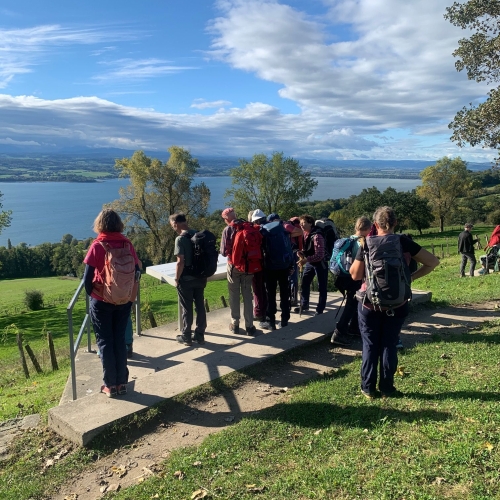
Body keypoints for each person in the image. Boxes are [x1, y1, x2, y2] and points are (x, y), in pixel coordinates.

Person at [349, 206, 439, 399]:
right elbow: (432, 262)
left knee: (370, 345)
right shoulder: (403, 241)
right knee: (389, 344)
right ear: (396, 223)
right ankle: (387, 388)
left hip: (369, 303)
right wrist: (409, 279)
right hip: (398, 303)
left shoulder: (366, 243)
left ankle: (368, 388)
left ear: (375, 224)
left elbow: (355, 274)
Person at [83, 209, 140, 398]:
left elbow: (87, 278)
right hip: (123, 301)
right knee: (119, 340)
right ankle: (122, 383)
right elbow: (137, 270)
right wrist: (127, 294)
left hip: (102, 301)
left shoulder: (98, 245)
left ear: (100, 224)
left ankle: (110, 385)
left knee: (105, 342)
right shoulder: (127, 244)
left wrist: (95, 296)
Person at [331, 216, 372, 346]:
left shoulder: (347, 240)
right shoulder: (362, 243)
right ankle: (339, 333)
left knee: (354, 304)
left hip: (343, 277)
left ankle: (354, 328)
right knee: (351, 305)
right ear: (368, 228)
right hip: (356, 278)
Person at [170, 213, 207, 346]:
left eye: (172, 225)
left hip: (186, 278)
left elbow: (180, 261)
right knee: (200, 305)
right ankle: (200, 334)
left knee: (187, 308)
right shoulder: (198, 234)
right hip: (201, 277)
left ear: (175, 224)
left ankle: (186, 336)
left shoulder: (180, 239)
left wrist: (176, 278)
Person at [220, 207, 256, 335]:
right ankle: (250, 326)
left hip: (234, 266)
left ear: (226, 219)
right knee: (247, 295)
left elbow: (224, 252)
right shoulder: (248, 227)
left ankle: (235, 324)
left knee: (234, 295)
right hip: (249, 266)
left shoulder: (228, 229)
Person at [260, 213, 294, 329]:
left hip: (270, 267)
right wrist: (290, 265)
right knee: (284, 293)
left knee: (270, 293)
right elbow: (288, 248)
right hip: (284, 266)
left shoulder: (264, 231)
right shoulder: (282, 230)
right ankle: (285, 319)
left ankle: (271, 321)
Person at [294, 215, 328, 315]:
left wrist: (305, 260)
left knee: (322, 287)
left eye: (303, 223)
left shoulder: (317, 236)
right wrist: (302, 253)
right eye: (300, 223)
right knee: (305, 282)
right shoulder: (305, 234)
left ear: (310, 223)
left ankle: (320, 309)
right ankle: (304, 304)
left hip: (320, 263)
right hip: (310, 262)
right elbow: (309, 249)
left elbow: (320, 255)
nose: (301, 225)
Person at [249, 209, 268, 324]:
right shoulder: (272, 228)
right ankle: (268, 311)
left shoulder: (257, 231)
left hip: (258, 263)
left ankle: (259, 313)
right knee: (266, 289)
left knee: (257, 289)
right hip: (273, 263)